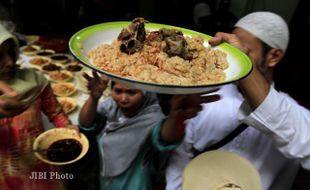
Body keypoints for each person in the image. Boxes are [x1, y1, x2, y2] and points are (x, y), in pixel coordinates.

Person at [165, 11, 310, 190]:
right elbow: (180, 158)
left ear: (274, 57)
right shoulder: (206, 95)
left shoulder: (298, 119)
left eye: (244, 52)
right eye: (232, 51)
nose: (233, 58)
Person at [78, 71, 220, 190]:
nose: (123, 99)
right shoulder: (110, 106)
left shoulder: (153, 115)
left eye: (131, 92)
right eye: (118, 91)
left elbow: (165, 138)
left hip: (135, 180)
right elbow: (86, 124)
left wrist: (177, 117)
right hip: (106, 177)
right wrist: (94, 97)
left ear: (145, 93)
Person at [0, 23, 74, 190]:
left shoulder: (34, 80)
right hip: (5, 175)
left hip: (41, 166)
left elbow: (55, 113)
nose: (10, 62)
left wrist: (67, 128)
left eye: (12, 52)